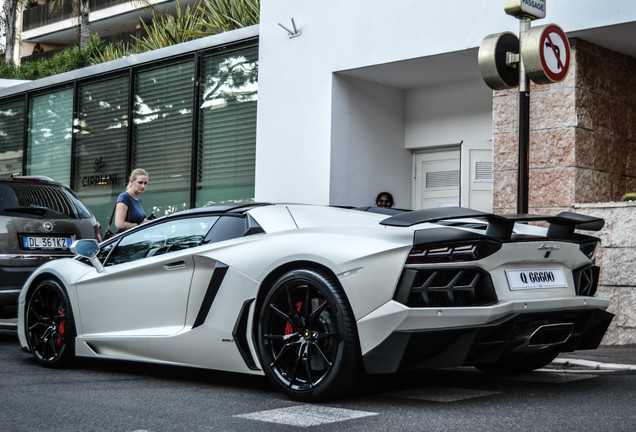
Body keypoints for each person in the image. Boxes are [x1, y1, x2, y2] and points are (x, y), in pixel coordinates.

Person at [115, 168, 150, 232]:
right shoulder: (124, 197)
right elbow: (119, 224)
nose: (143, 186)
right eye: (140, 182)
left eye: (145, 183)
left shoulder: (138, 199)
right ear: (131, 181)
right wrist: (140, 225)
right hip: (126, 239)